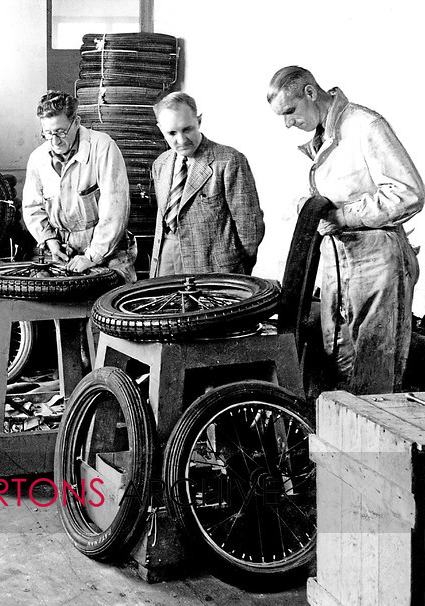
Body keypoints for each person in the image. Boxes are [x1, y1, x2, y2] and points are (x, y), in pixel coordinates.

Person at [268, 66, 423, 394]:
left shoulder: (365, 126)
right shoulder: (324, 136)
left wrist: (343, 216)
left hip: (379, 262)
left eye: (290, 111)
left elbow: (409, 192)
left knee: (375, 374)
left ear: (311, 93)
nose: (287, 123)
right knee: (339, 366)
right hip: (339, 263)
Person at [22, 90, 137, 283]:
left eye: (60, 132)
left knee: (111, 304)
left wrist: (92, 256)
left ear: (76, 122)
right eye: (48, 133)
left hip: (109, 250)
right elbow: (32, 208)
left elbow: (115, 212)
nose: (55, 141)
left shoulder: (103, 147)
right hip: (64, 250)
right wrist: (51, 242)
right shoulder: (38, 158)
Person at [151, 92, 265, 276]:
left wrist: (235, 268)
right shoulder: (160, 164)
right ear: (160, 129)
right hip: (167, 258)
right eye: (171, 133)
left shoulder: (228, 161)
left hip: (213, 267)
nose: (181, 140)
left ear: (199, 121)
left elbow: (250, 228)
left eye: (187, 129)